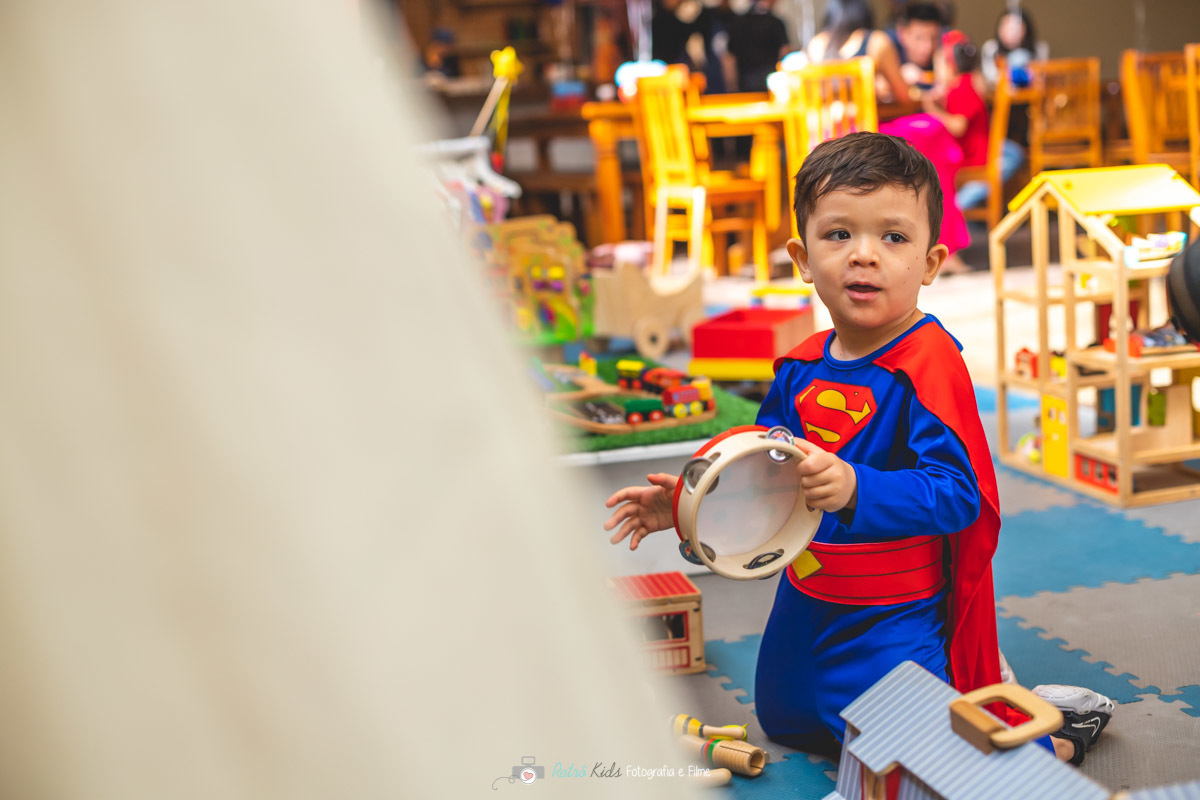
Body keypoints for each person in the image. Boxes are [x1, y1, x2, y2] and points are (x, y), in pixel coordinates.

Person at [603, 132, 1112, 764]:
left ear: (930, 263)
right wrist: (687, 505)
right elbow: (758, 472)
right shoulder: (799, 366)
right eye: (839, 235)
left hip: (892, 612)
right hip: (808, 597)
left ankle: (1057, 739)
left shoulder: (928, 365)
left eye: (893, 238)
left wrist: (855, 487)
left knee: (917, 760)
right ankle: (945, 698)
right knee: (784, 721)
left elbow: (960, 495)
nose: (864, 256)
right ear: (802, 256)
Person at [922, 31, 1026, 219]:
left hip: (973, 157)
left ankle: (951, 209)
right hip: (976, 151)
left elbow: (958, 126)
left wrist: (932, 110)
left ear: (950, 66)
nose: (936, 72)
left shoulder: (963, 87)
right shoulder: (964, 84)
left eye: (938, 66)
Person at [726, 0, 791, 92]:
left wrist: (732, 86)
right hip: (771, 83)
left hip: (744, 84)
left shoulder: (737, 22)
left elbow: (729, 59)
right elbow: (785, 53)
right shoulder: (776, 23)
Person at [981, 8, 1049, 88]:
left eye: (1015, 27)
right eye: (1005, 26)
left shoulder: (1039, 48)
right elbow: (991, 78)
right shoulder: (991, 48)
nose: (1010, 32)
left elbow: (1041, 77)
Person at [887, 2, 945, 92]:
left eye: (934, 38)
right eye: (919, 38)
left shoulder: (946, 49)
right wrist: (897, 78)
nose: (928, 47)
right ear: (902, 33)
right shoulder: (888, 47)